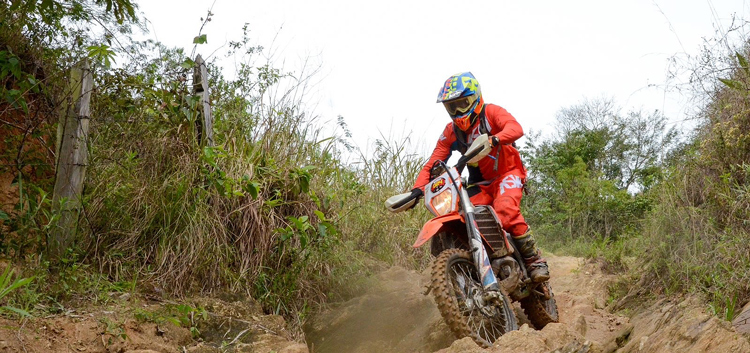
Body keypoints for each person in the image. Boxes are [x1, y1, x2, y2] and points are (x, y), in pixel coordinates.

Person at [406, 72, 549, 282]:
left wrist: (495, 139)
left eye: (463, 103)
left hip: (507, 173)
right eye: (451, 107)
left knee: (505, 210)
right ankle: (478, 267)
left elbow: (515, 128)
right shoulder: (451, 132)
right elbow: (433, 162)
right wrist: (416, 190)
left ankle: (534, 260)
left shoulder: (491, 113)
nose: (457, 111)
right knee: (465, 218)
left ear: (475, 98)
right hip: (478, 184)